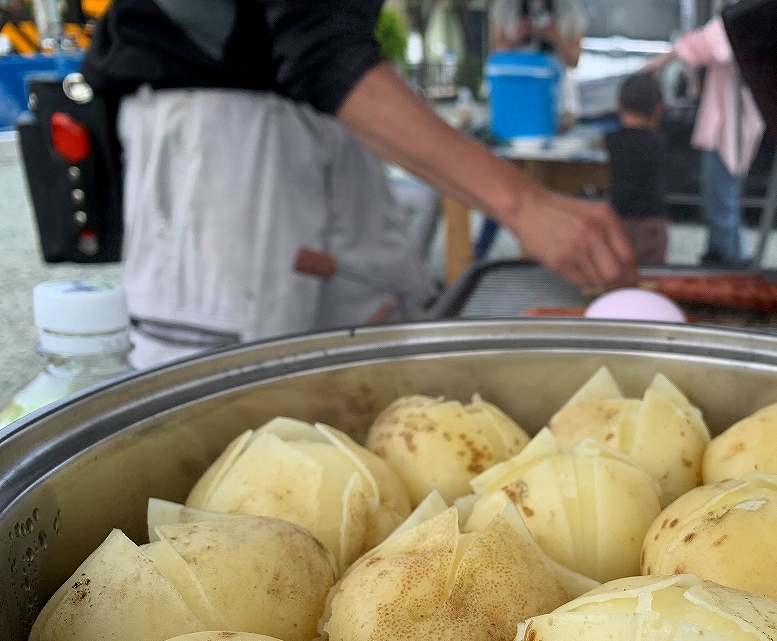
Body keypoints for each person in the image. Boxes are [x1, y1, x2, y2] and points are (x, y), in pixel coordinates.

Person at [81, 0, 634, 367]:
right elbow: (322, 51)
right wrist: (524, 202)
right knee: (223, 402)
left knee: (384, 336)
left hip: (317, 115)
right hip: (216, 133)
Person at [647, 6, 763, 267]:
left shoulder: (742, 19)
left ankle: (734, 263)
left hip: (730, 125)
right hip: (725, 123)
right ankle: (717, 255)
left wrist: (652, 66)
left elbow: (701, 45)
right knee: (717, 199)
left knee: (722, 205)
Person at [473, 0, 587, 262]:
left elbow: (575, 59)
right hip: (511, 106)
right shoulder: (505, 7)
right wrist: (516, 37)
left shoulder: (570, 9)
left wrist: (555, 36)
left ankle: (548, 256)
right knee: (505, 182)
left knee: (551, 185)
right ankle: (481, 252)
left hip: (553, 107)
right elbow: (495, 54)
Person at [605, 72, 669, 267]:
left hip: (619, 219)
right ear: (659, 111)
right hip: (653, 221)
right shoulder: (660, 142)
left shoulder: (611, 140)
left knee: (617, 272)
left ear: (618, 105)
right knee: (651, 275)